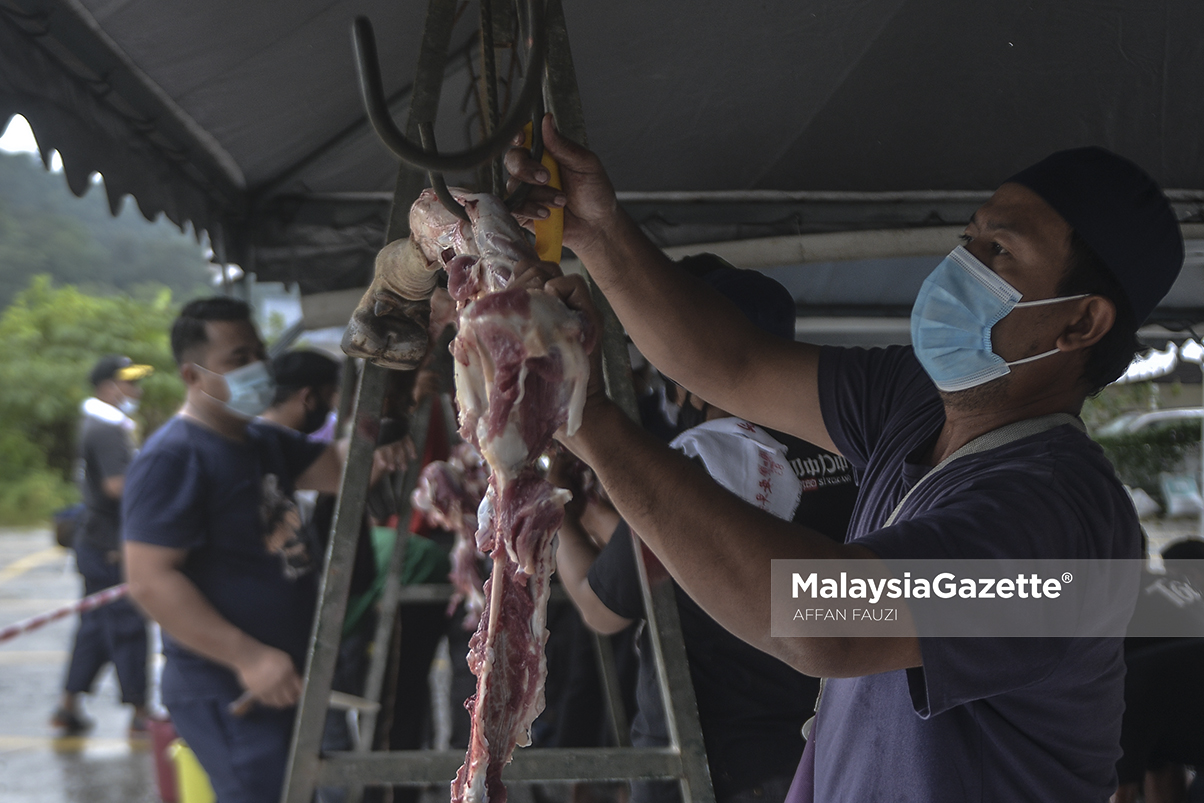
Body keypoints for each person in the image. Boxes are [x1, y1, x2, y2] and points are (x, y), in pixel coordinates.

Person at [506, 120, 1184, 800]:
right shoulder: (917, 406)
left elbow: (822, 615)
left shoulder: (1061, 523)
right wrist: (595, 231)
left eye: (999, 252)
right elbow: (731, 363)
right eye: (968, 239)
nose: (962, 266)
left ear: (1080, 322)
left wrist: (587, 418)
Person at [553, 265, 857, 803]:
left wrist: (557, 515)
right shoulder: (852, 451)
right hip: (820, 754)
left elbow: (601, 609)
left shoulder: (701, 461)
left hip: (705, 766)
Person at [122, 298, 401, 803]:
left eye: (258, 353)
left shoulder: (260, 440)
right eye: (237, 358)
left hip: (285, 675)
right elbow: (149, 579)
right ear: (193, 374)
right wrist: (247, 657)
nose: (257, 368)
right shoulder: (173, 456)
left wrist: (391, 411)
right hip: (232, 685)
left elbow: (339, 469)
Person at [52, 355, 153, 737]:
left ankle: (67, 706)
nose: (136, 390)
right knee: (127, 626)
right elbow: (116, 487)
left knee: (94, 627)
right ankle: (141, 710)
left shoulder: (101, 423)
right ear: (109, 387)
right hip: (108, 546)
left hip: (94, 541)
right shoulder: (107, 429)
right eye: (129, 383)